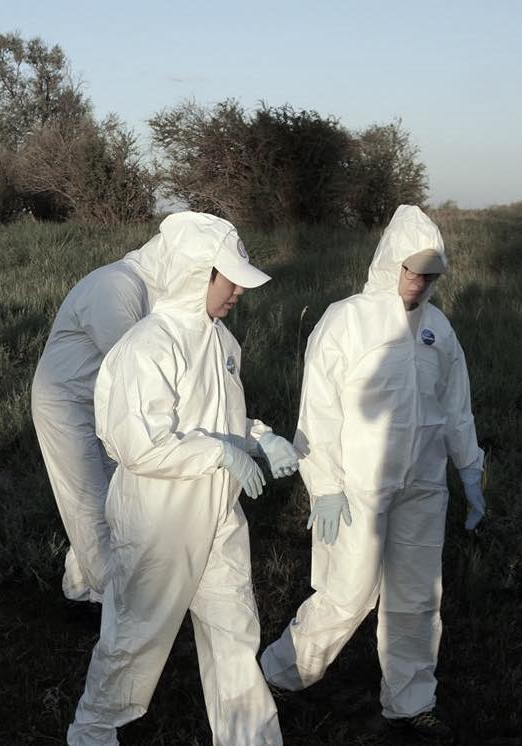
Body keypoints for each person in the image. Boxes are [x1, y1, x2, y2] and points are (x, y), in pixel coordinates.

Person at [68, 212, 298, 746]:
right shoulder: (147, 346)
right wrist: (219, 453)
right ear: (197, 273)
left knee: (235, 634)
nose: (238, 290)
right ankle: (93, 731)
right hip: (159, 519)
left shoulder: (222, 343)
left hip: (218, 512)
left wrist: (259, 438)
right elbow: (137, 443)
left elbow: (220, 419)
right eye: (229, 277)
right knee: (135, 639)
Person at [260, 205, 486, 742]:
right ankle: (276, 675)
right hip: (358, 488)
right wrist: (326, 486)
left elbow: (456, 408)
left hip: (423, 486)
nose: (420, 282)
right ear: (390, 263)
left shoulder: (437, 328)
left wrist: (470, 472)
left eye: (431, 274)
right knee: (348, 592)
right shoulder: (347, 320)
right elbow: (318, 414)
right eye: (412, 270)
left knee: (416, 597)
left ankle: (410, 703)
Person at [31, 237, 162, 603]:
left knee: (111, 501)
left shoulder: (146, 289)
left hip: (100, 403)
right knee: (88, 502)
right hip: (64, 402)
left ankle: (79, 586)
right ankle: (117, 601)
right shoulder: (115, 286)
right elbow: (132, 365)